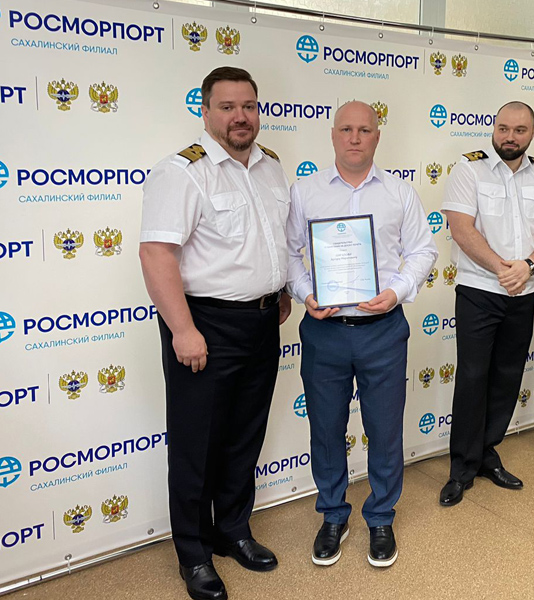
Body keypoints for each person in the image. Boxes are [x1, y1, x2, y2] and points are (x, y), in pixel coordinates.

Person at [139, 66, 292, 600]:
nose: (239, 116)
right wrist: (182, 329)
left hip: (261, 321)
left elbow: (270, 241)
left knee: (243, 436)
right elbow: (157, 254)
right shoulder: (183, 172)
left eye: (248, 105)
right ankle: (194, 554)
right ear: (205, 112)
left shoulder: (271, 166)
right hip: (204, 324)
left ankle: (232, 530)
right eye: (227, 107)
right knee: (195, 445)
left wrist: (281, 290)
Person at [286, 101, 437, 568]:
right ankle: (334, 515)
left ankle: (381, 517)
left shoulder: (400, 193)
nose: (355, 138)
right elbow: (289, 253)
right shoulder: (305, 192)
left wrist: (396, 292)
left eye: (365, 130)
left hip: (382, 330)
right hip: (325, 330)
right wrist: (306, 293)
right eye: (347, 129)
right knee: (326, 429)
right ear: (333, 135)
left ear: (377, 136)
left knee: (385, 430)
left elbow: (423, 251)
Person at [439, 101, 534, 507]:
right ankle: (462, 468)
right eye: (503, 128)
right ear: (493, 128)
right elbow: (461, 228)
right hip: (479, 291)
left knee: (508, 376)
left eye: (520, 130)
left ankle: (487, 453)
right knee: (473, 377)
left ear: (532, 133)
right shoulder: (469, 169)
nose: (510, 137)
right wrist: (502, 268)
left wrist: (528, 266)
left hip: (523, 293)